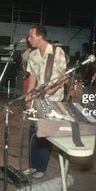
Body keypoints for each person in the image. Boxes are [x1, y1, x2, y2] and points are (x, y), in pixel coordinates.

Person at [24, 25, 67, 179]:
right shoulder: (33, 54)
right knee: (33, 131)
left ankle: (41, 167)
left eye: (31, 36)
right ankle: (32, 165)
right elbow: (33, 77)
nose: (28, 39)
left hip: (53, 100)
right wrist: (29, 96)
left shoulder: (57, 52)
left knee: (45, 133)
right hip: (37, 98)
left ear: (40, 36)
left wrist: (52, 90)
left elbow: (64, 77)